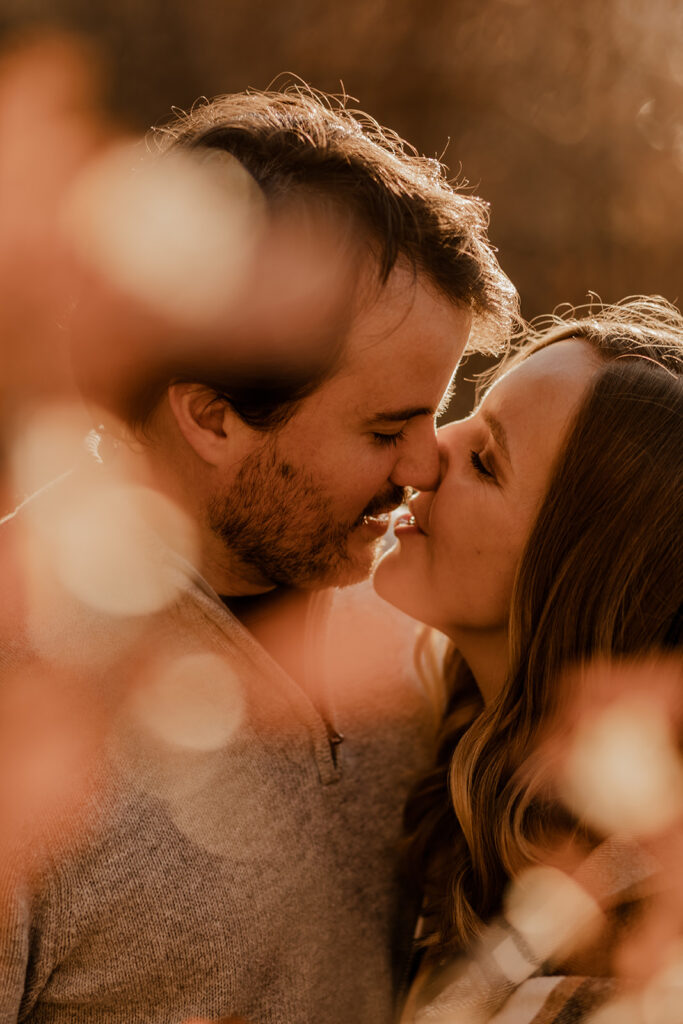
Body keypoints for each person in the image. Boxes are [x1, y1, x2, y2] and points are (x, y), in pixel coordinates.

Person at [0, 87, 517, 1023]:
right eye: (385, 426)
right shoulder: (23, 696)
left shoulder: (414, 630)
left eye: (435, 413)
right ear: (211, 416)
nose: (424, 462)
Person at [373, 296, 683, 1022]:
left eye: (485, 461)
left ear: (582, 578)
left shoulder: (629, 953)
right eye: (471, 414)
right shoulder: (454, 778)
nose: (428, 450)